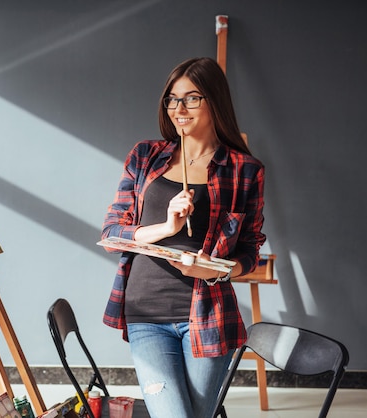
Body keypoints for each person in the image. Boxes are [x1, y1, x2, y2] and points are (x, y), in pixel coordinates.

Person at [100, 57, 266, 418]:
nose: (179, 108)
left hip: (209, 315)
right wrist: (167, 229)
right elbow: (112, 233)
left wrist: (216, 271)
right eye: (172, 99)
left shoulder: (245, 170)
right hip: (146, 312)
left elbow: (251, 250)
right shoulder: (145, 157)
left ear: (214, 101)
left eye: (191, 98)